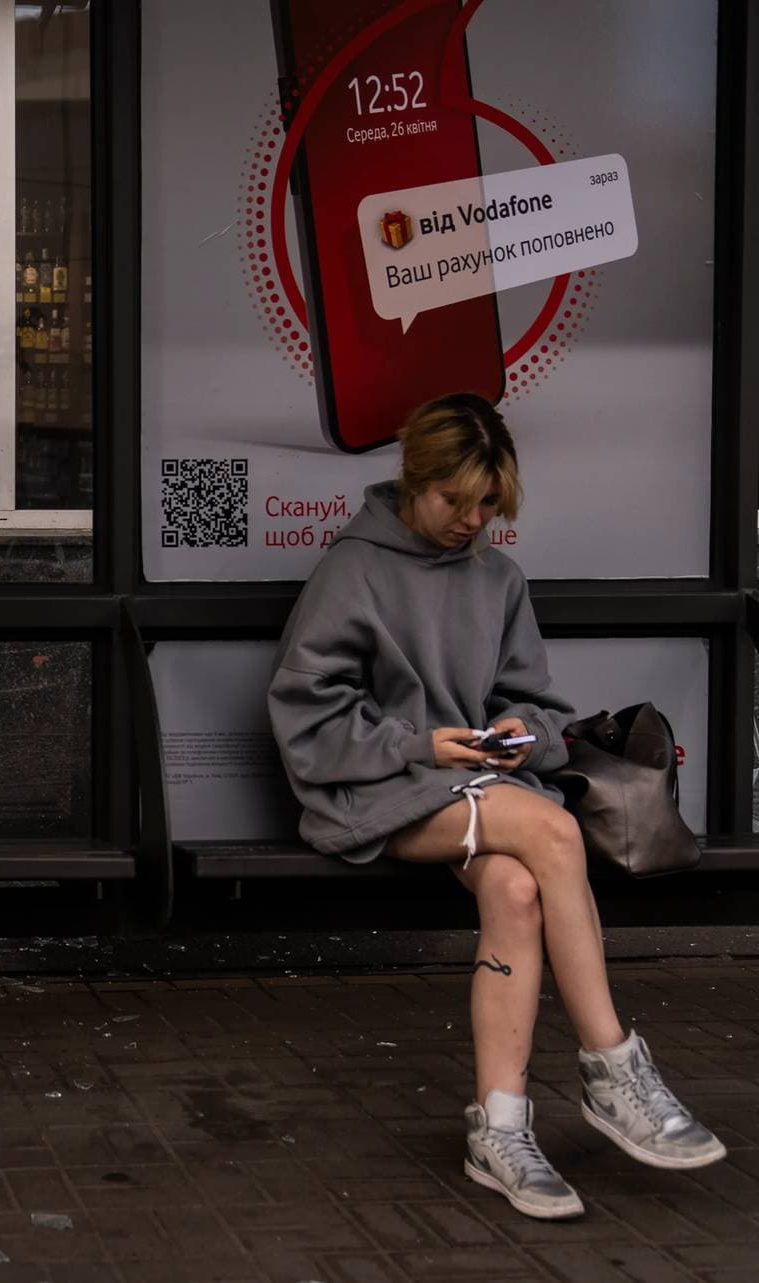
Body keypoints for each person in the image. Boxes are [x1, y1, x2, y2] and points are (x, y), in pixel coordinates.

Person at [267, 393, 723, 1221]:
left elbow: (536, 703)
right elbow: (308, 716)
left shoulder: (497, 577)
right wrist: (419, 743)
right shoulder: (353, 570)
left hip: (471, 786)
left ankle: (500, 1130)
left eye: (487, 505)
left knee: (516, 892)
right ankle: (612, 1066)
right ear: (416, 478)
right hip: (376, 790)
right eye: (456, 500)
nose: (470, 520)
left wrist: (524, 730)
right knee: (551, 828)